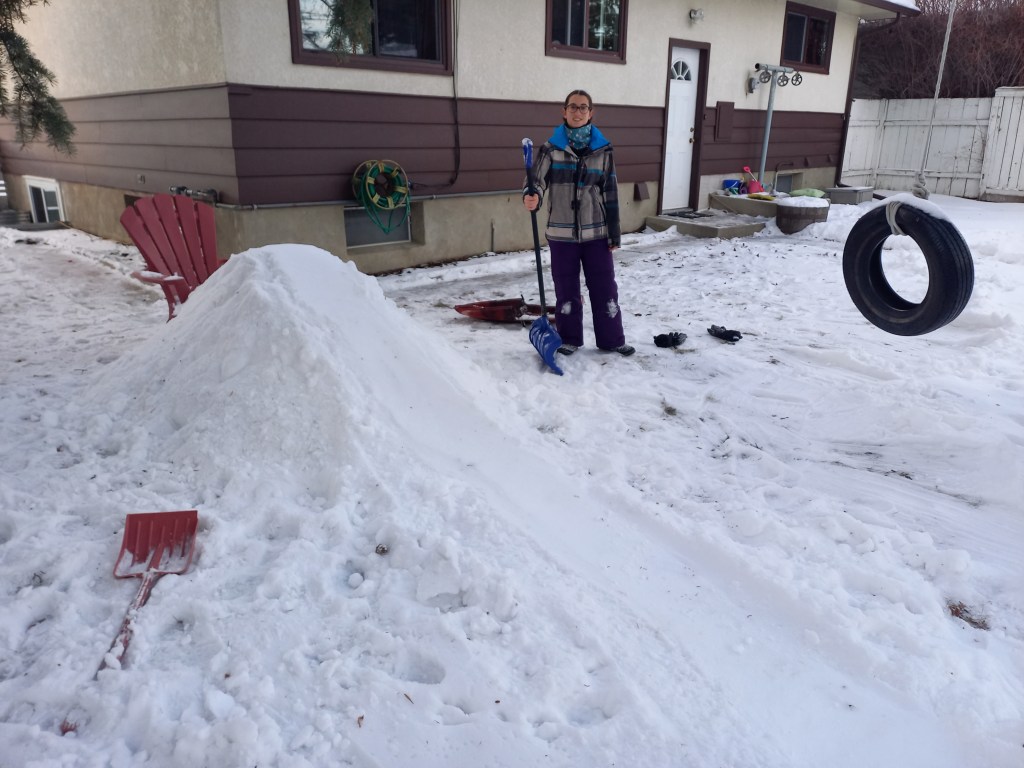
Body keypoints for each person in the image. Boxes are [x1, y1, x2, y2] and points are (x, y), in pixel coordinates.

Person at [523, 90, 634, 357]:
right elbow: (536, 180)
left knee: (605, 288)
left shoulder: (603, 150)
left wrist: (614, 233)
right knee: (566, 288)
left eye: (583, 107)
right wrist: (532, 195)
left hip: (597, 232)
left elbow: (610, 191)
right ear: (564, 111)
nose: (578, 111)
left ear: (591, 113)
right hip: (561, 233)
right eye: (573, 107)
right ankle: (569, 338)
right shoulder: (551, 149)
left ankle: (611, 339)